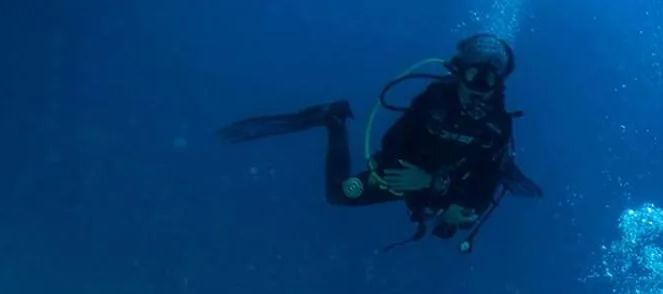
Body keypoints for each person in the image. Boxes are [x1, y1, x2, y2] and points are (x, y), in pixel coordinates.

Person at [217, 34, 541, 252]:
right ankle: (333, 120)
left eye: (490, 79)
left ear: (499, 82)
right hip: (400, 177)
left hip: (439, 190)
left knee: (458, 221)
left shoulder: (498, 124)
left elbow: (486, 182)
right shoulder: (436, 98)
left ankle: (451, 201)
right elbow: (392, 141)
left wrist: (441, 191)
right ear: (458, 72)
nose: (479, 88)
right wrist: (414, 176)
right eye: (473, 76)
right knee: (340, 195)